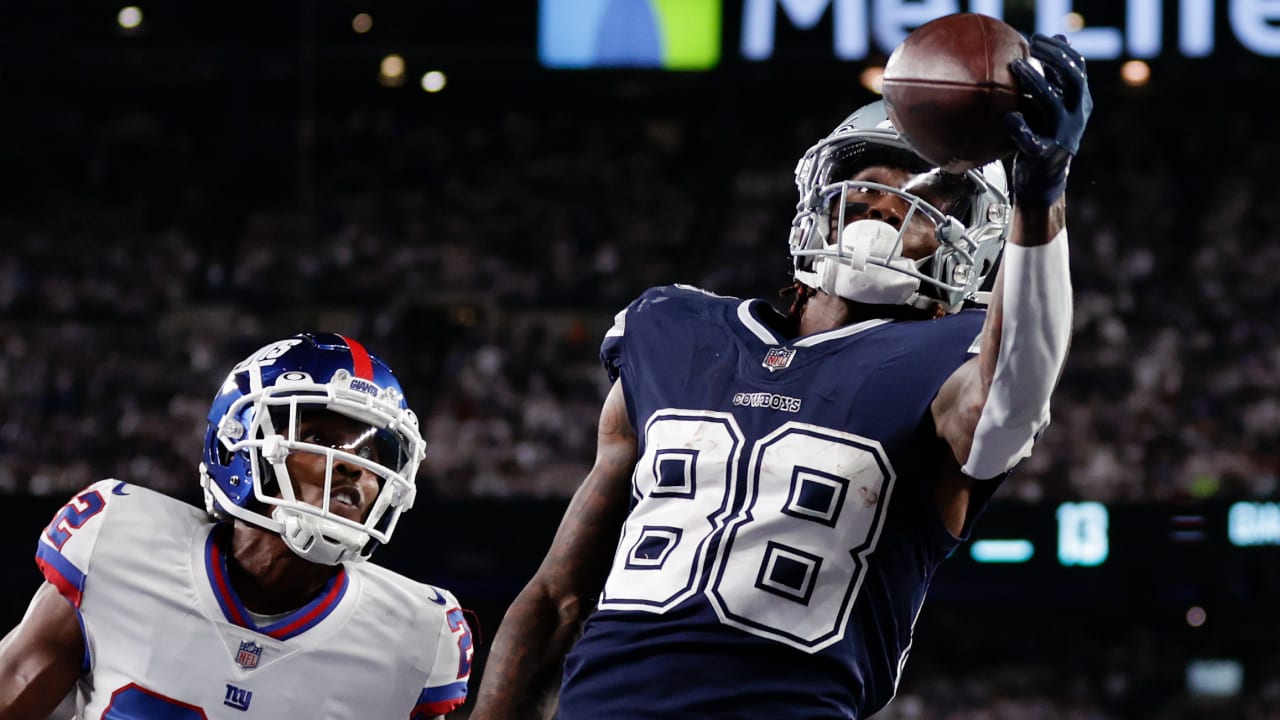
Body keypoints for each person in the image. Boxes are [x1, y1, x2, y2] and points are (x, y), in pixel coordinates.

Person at [471, 31, 1092, 720]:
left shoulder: (951, 361)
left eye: (928, 195)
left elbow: (1012, 400)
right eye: (871, 181)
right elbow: (559, 595)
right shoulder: (675, 329)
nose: (888, 204)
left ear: (973, 246)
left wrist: (1042, 202)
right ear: (817, 199)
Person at [0, 333, 473, 719]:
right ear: (238, 448)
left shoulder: (416, 637)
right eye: (317, 438)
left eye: (369, 453)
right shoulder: (117, 543)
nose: (352, 467)